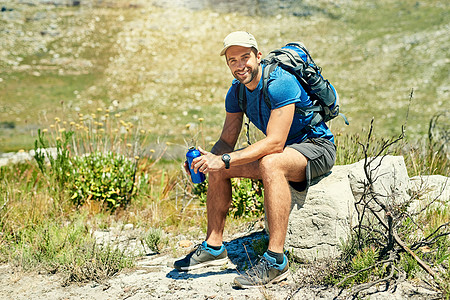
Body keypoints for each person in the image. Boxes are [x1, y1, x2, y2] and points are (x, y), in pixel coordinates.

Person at [174, 31, 336, 288]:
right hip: (284, 152)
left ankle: (276, 261)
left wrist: (225, 159)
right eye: (232, 60)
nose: (240, 65)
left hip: (316, 148)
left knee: (270, 162)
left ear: (258, 56)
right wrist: (208, 160)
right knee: (219, 166)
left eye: (245, 57)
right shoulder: (237, 92)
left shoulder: (279, 82)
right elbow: (226, 141)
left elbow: (275, 143)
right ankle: (214, 247)